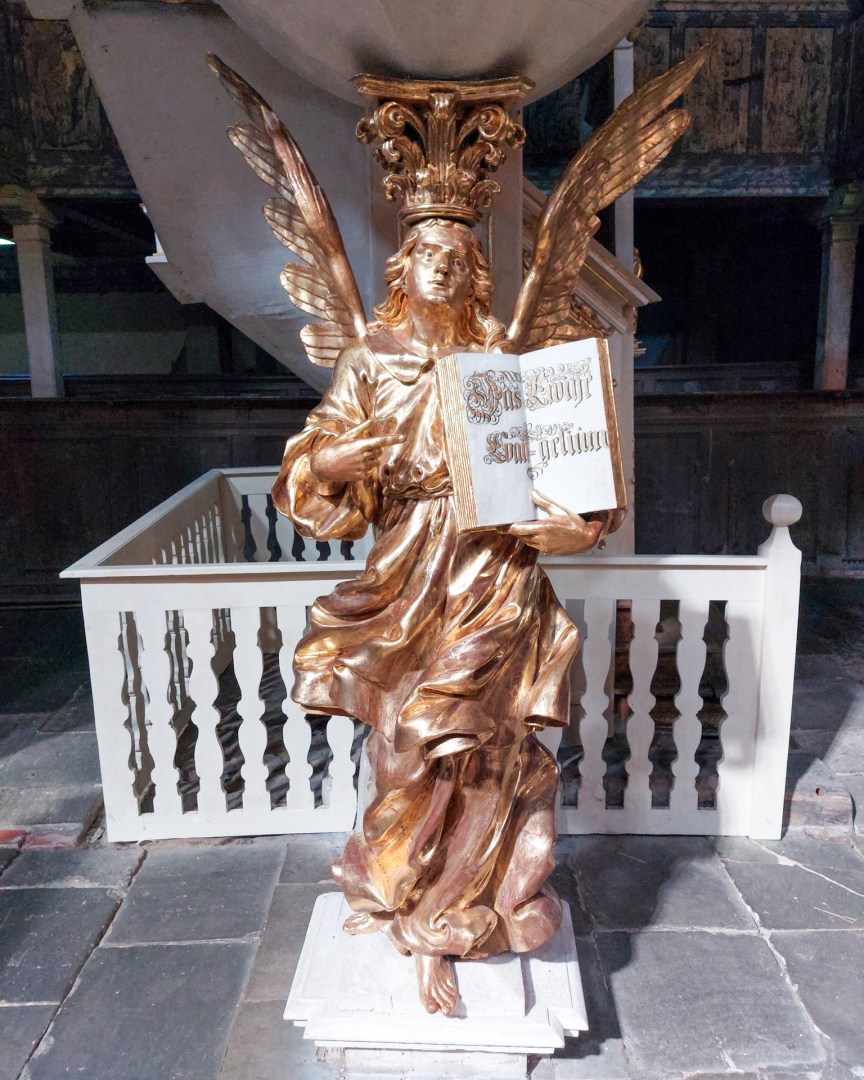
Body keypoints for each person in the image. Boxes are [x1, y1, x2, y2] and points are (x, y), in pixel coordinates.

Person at [272, 217, 604, 1016]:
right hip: (406, 571)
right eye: (430, 254)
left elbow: (570, 475)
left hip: (494, 567)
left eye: (462, 259)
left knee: (481, 744)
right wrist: (327, 461)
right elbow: (316, 476)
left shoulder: (502, 364)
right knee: (405, 749)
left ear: (475, 276)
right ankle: (407, 902)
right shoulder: (370, 362)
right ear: (405, 267)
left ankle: (459, 917)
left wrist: (574, 523)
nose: (446, 268)